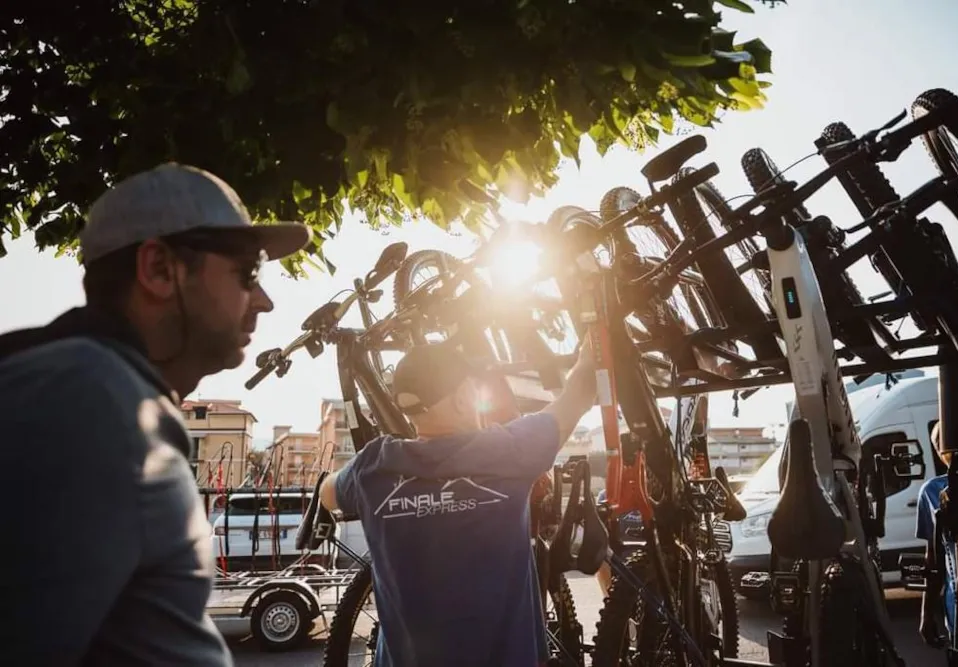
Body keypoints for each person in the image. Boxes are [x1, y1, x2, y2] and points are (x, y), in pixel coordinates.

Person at [0, 163, 310, 665]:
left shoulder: (98, 387)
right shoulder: (90, 400)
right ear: (159, 270)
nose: (264, 301)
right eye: (247, 273)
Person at [318, 338, 597, 667]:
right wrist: (592, 341)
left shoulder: (372, 467)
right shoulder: (508, 451)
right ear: (465, 398)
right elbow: (580, 391)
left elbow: (327, 492)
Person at [916, 422, 958, 648]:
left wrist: (926, 614)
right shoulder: (932, 492)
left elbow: (932, 560)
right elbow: (933, 560)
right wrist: (926, 613)